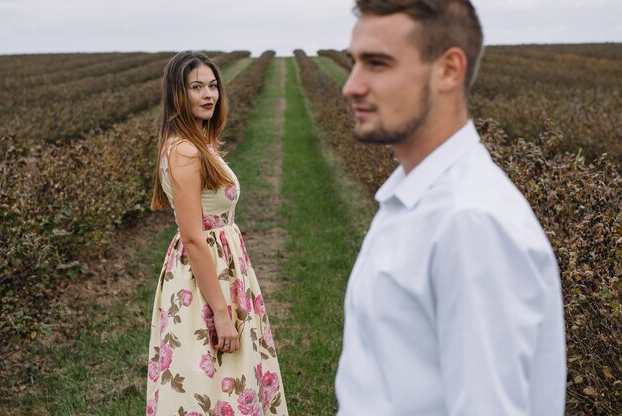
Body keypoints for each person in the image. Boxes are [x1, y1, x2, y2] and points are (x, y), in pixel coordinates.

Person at [335, 1, 566, 415]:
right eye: (354, 62)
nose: (351, 85)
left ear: (448, 70)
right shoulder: (417, 198)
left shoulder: (469, 221)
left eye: (377, 64)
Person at [146, 51, 288, 416]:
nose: (208, 94)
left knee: (228, 372)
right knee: (208, 376)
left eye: (212, 86)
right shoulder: (185, 152)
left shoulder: (198, 145)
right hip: (204, 276)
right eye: (196, 87)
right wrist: (221, 313)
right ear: (178, 94)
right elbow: (193, 237)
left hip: (223, 268)